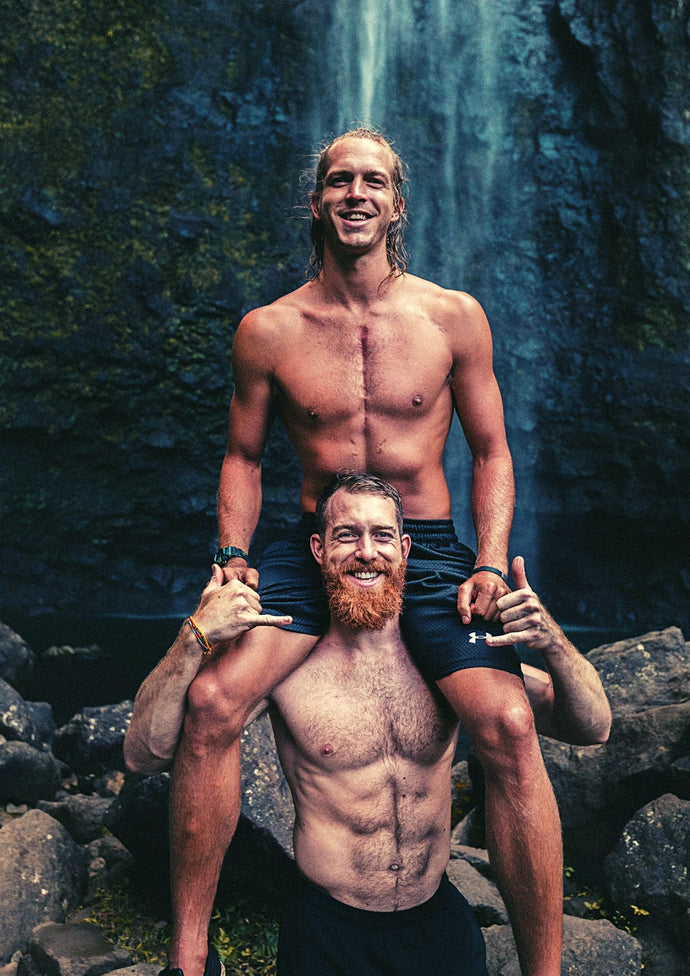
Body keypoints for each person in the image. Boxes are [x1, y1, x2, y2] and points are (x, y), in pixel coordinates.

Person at [159, 128, 606, 976]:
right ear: (318, 200)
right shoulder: (269, 329)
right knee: (214, 704)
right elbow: (244, 458)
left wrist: (487, 561)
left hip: (429, 550)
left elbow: (492, 452)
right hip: (310, 545)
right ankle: (188, 958)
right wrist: (232, 554)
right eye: (338, 181)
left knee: (511, 724)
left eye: (372, 181)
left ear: (397, 203)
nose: (354, 194)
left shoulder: (453, 317)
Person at [124, 473, 611, 976]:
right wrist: (193, 637)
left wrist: (554, 642)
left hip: (438, 928)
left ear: (404, 549)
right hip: (328, 936)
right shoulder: (285, 668)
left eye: (381, 536)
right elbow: (145, 753)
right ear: (317, 549)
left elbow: (592, 726)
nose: (365, 552)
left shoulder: (450, 668)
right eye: (346, 535)